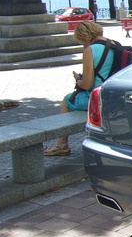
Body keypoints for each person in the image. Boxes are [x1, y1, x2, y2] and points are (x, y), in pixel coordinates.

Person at [43, 21, 114, 156]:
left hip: (97, 98)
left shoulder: (90, 50)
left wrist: (78, 79)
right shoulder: (114, 45)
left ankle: (61, 143)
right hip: (112, 96)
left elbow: (87, 84)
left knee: (67, 100)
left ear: (83, 36)